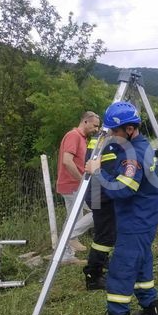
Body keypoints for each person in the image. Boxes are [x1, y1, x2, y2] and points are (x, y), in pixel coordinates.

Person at [81, 101, 158, 315]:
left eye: (114, 131)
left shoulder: (133, 154)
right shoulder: (140, 145)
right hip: (143, 217)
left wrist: (97, 172)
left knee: (121, 270)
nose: (111, 136)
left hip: (136, 220)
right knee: (141, 264)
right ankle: (150, 311)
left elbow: (124, 189)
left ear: (129, 129)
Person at [56, 111, 100, 263]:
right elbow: (67, 161)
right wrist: (82, 181)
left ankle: (66, 255)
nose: (96, 129)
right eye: (95, 126)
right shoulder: (74, 135)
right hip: (72, 185)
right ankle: (69, 237)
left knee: (73, 217)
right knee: (98, 209)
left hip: (71, 184)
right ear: (85, 121)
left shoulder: (82, 138)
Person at [82, 135, 121, 290]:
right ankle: (93, 275)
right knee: (105, 237)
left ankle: (101, 265)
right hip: (101, 194)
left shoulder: (101, 138)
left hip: (98, 192)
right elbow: (113, 169)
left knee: (105, 233)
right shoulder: (110, 142)